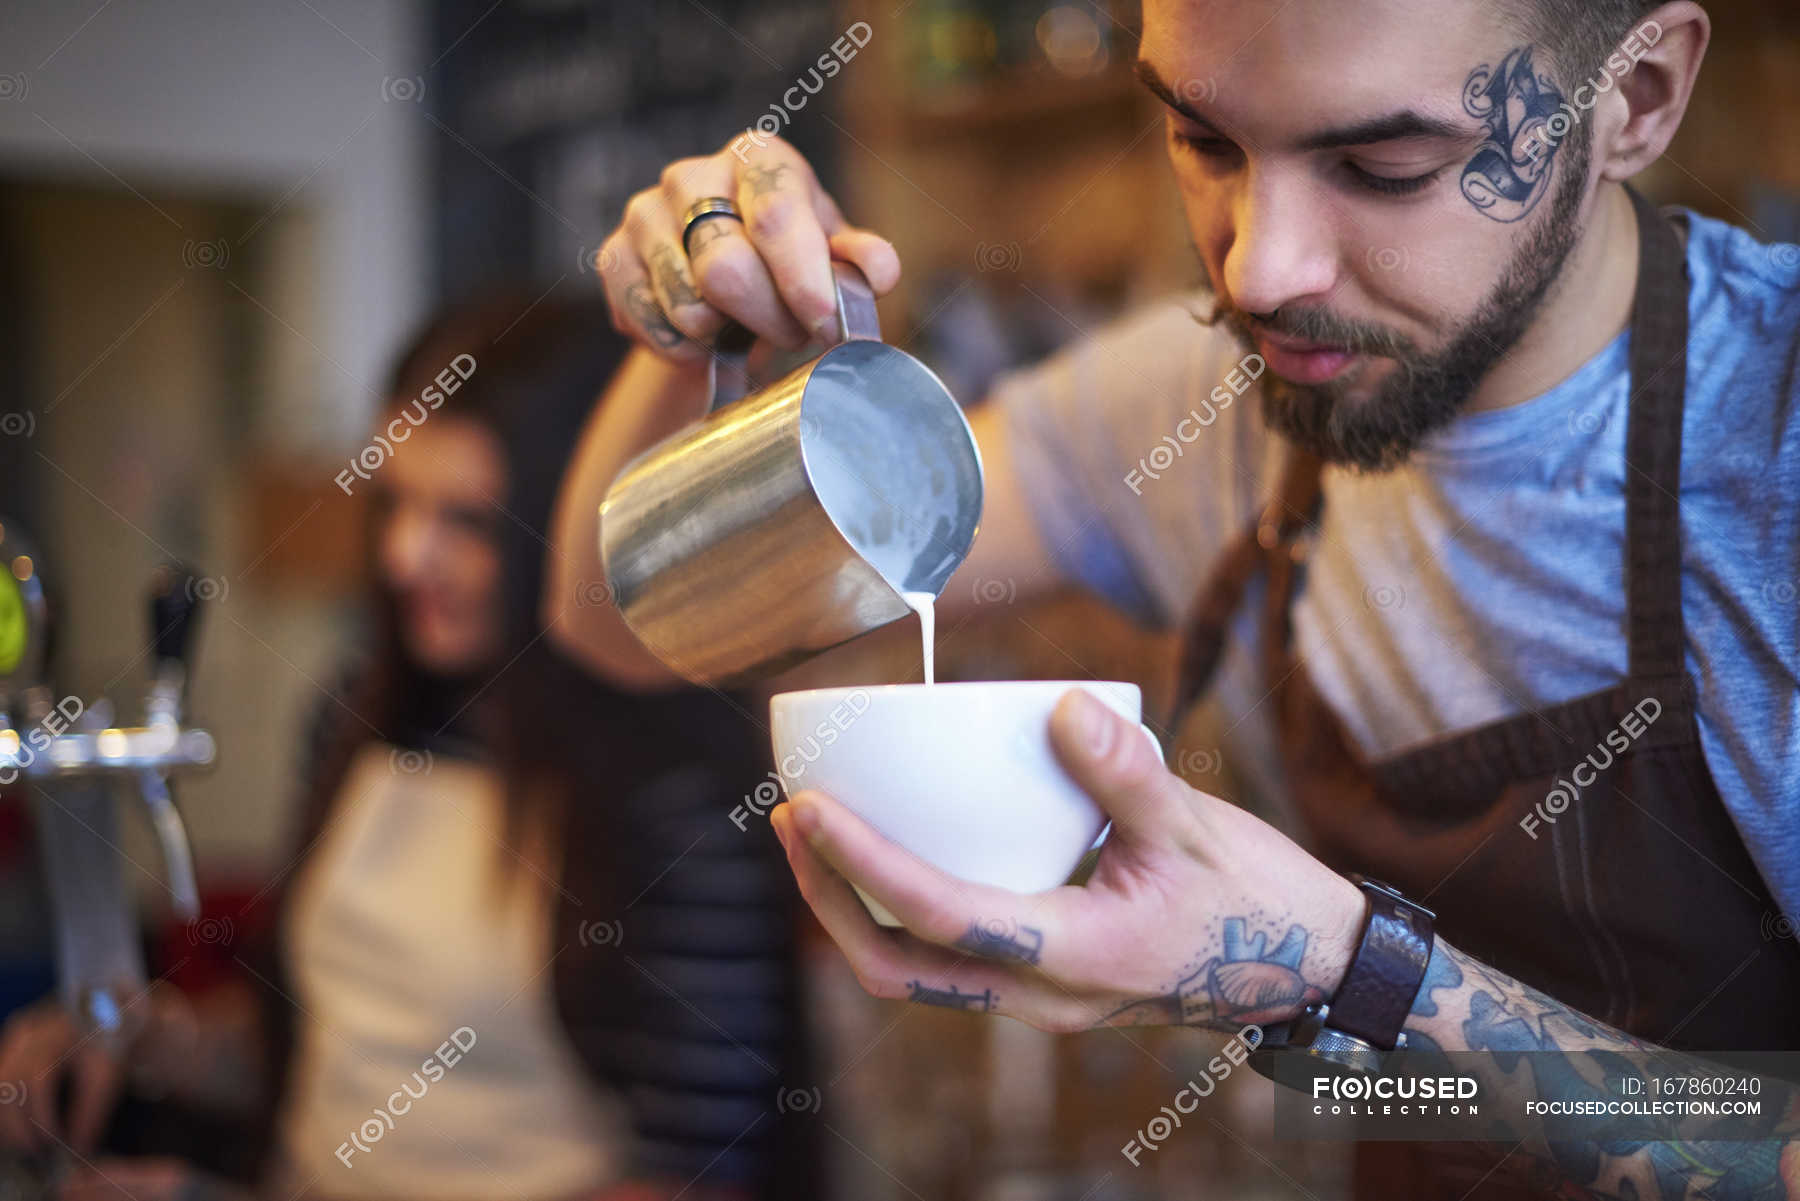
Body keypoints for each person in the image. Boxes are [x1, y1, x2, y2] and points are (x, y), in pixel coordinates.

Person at [551, 0, 1800, 1196]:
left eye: (1385, 165)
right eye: (1204, 141)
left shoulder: (1773, 447)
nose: (1261, 269)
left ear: (1636, 98)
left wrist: (1338, 977)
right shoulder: (1206, 408)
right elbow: (624, 625)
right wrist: (694, 341)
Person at [0, 295, 817, 1201]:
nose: (403, 555)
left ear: (582, 523)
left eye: (466, 521)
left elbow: (691, 1180)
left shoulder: (682, 795)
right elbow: (340, 1044)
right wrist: (159, 1040)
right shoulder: (357, 716)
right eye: (397, 502)